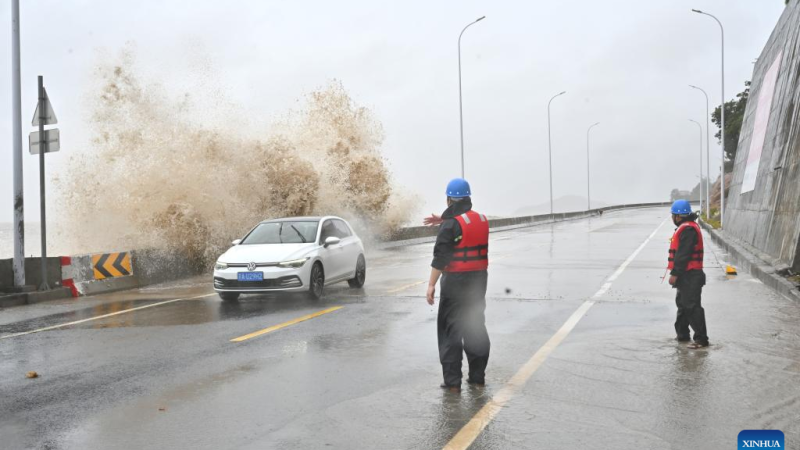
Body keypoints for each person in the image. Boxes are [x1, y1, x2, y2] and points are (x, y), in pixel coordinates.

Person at [424, 178, 490, 393]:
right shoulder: (482, 219)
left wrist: (431, 285)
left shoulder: (451, 224)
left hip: (455, 282)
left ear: (449, 198)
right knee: (475, 325)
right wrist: (444, 219)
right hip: (479, 280)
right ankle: (478, 378)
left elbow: (441, 257)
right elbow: (463, 222)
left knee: (450, 330)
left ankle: (453, 384)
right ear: (468, 197)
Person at [667, 199, 709, 349]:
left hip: (691, 275)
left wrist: (674, 274)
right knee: (683, 306)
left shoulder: (688, 230)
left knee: (692, 306)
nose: (672, 218)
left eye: (673, 215)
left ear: (678, 216)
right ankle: (682, 335)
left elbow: (683, 255)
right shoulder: (686, 227)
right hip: (686, 275)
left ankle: (701, 339)